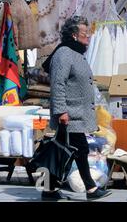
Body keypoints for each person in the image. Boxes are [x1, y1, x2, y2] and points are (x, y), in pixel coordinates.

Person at [41, 16, 112, 201]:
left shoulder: (75, 53)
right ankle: (90, 188)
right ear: (74, 35)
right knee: (77, 149)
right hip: (70, 114)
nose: (88, 37)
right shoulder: (64, 53)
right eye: (84, 34)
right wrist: (61, 111)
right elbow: (58, 84)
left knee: (68, 151)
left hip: (78, 113)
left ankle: (48, 190)